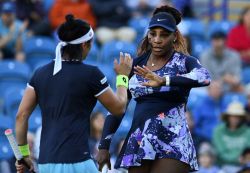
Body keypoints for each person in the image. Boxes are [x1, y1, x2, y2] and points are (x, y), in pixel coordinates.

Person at [96, 5, 211, 173]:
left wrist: (164, 80)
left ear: (174, 36)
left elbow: (204, 77)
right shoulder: (135, 65)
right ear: (148, 35)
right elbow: (118, 107)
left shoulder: (184, 62)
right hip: (139, 138)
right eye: (153, 34)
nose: (157, 39)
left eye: (164, 35)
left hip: (173, 139)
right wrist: (104, 146)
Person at [15, 14, 133, 173]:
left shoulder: (40, 73)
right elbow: (119, 108)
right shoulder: (92, 74)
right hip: (77, 161)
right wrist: (122, 78)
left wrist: (23, 154)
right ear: (85, 45)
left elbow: (21, 115)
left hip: (45, 163)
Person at [212, 101, 250, 173]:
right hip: (222, 166)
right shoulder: (218, 131)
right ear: (228, 116)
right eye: (233, 116)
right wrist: (238, 158)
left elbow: (248, 150)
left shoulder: (247, 131)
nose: (235, 119)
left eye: (238, 116)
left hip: (244, 167)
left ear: (242, 118)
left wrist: (244, 158)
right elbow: (221, 152)